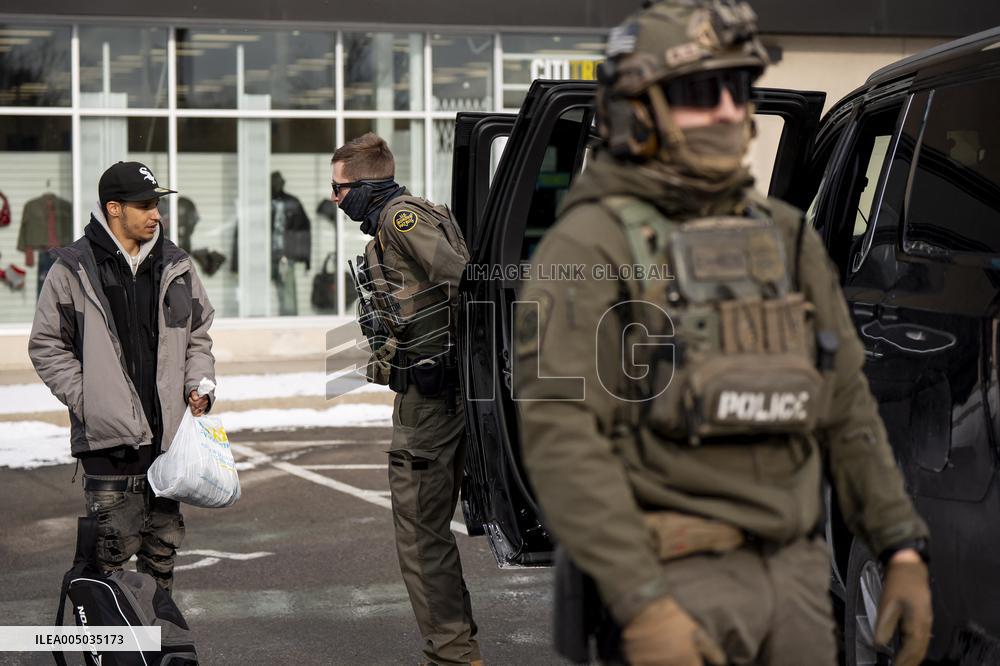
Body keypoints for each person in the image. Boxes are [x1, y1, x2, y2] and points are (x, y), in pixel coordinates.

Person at [514, 2, 932, 665]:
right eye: (699, 94)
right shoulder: (591, 243)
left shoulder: (786, 235)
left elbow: (846, 405)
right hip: (670, 583)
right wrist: (642, 599)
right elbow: (563, 443)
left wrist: (899, 546)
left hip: (793, 580)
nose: (728, 112)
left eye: (738, 90)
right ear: (637, 110)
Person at [29, 161, 216, 595]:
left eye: (157, 205)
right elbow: (46, 346)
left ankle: (159, 655)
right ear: (114, 208)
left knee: (162, 571)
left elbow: (199, 335)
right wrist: (89, 400)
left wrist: (199, 382)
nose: (156, 215)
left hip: (168, 453)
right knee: (108, 576)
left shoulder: (176, 265)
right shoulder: (72, 269)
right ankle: (114, 659)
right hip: (109, 453)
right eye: (145, 205)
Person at [331, 133, 481, 665]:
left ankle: (453, 654)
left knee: (420, 534)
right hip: (435, 387)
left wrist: (448, 356)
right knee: (427, 532)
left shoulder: (402, 221)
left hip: (431, 398)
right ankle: (457, 645)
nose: (336, 198)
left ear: (368, 185)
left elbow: (468, 280)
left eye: (340, 188)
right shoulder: (403, 219)